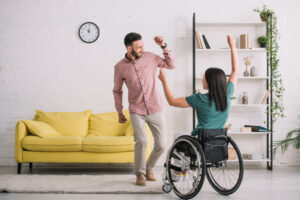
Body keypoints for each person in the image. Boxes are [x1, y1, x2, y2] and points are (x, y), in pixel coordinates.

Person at [113, 32, 176, 186]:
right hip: (137, 110)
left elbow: (171, 65)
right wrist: (119, 111)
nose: (142, 49)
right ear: (129, 48)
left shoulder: (151, 57)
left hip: (155, 108)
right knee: (141, 140)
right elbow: (117, 90)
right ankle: (139, 174)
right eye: (138, 47)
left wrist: (164, 46)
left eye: (142, 46)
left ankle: (149, 168)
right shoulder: (120, 67)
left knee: (161, 144)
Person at [158, 35, 238, 136]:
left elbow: (172, 101)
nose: (202, 80)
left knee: (177, 135)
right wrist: (232, 46)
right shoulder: (227, 93)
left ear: (210, 82)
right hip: (219, 139)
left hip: (201, 139)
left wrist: (164, 81)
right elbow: (235, 70)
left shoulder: (200, 99)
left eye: (204, 77)